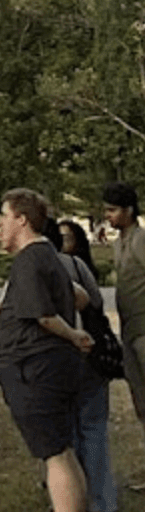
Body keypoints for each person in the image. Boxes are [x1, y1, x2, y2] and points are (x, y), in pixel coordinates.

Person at [0, 188, 92, 512]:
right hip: (45, 365)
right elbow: (78, 294)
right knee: (62, 451)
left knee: (55, 455)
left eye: (3, 216)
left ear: (22, 219)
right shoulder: (46, 255)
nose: (0, 225)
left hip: (36, 366)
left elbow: (43, 316)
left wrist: (73, 334)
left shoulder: (30, 259)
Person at [42, 219, 118, 512]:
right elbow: (95, 302)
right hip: (89, 357)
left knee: (64, 435)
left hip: (55, 360)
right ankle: (102, 500)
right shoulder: (75, 265)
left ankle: (68, 500)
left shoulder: (31, 269)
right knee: (94, 428)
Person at [102, 182, 145, 490]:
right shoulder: (119, 243)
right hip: (128, 329)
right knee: (140, 402)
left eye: (113, 210)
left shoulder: (142, 240)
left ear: (129, 210)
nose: (108, 216)